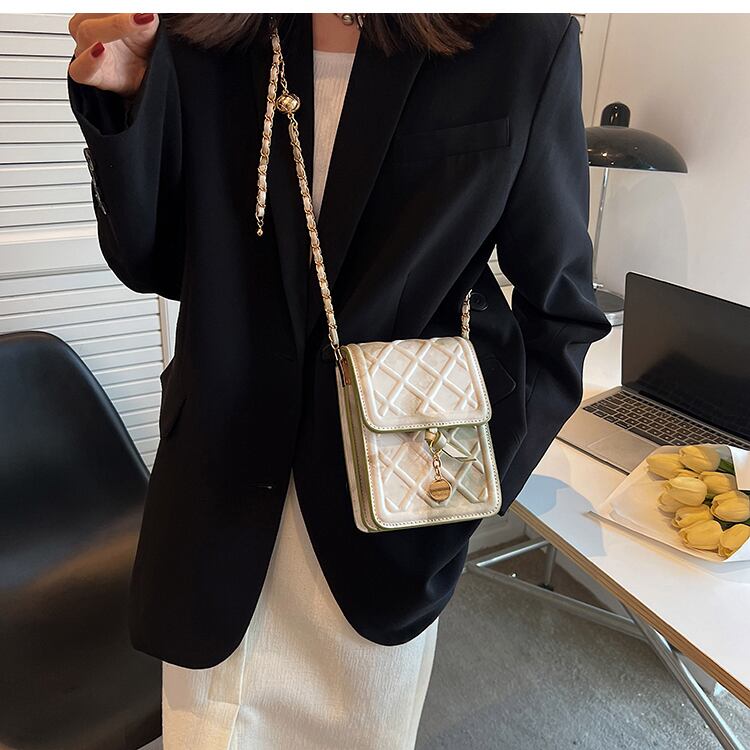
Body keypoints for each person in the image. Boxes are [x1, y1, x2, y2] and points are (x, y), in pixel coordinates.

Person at [67, 12, 611, 748]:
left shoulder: (519, 41)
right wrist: (130, 98)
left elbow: (562, 314)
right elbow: (156, 262)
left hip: (389, 521)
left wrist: (471, 483)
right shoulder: (214, 31)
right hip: (215, 507)